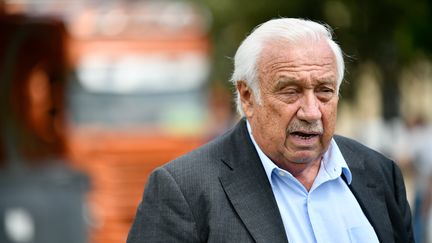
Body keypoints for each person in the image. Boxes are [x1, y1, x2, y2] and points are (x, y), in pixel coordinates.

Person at [127, 18, 414, 243]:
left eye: (325, 91)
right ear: (248, 97)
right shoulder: (185, 190)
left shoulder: (379, 173)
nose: (312, 111)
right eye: (291, 92)